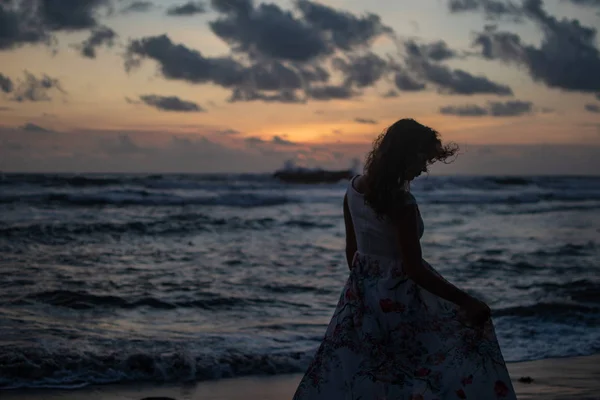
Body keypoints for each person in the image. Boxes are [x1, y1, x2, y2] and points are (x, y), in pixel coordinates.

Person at [293, 119, 517, 400]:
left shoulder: (352, 190)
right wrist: (467, 301)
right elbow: (414, 269)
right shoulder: (402, 204)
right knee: (420, 372)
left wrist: (366, 289)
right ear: (406, 154)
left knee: (367, 375)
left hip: (361, 297)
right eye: (423, 159)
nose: (424, 168)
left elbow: (353, 253)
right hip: (400, 300)